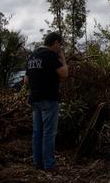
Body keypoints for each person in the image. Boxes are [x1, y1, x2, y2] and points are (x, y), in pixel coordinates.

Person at [24, 32, 68, 170]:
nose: (60, 47)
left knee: (37, 132)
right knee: (49, 133)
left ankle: (38, 163)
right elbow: (64, 74)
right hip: (49, 99)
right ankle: (49, 164)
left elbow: (26, 81)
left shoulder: (32, 56)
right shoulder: (50, 55)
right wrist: (63, 57)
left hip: (35, 98)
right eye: (60, 44)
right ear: (55, 42)